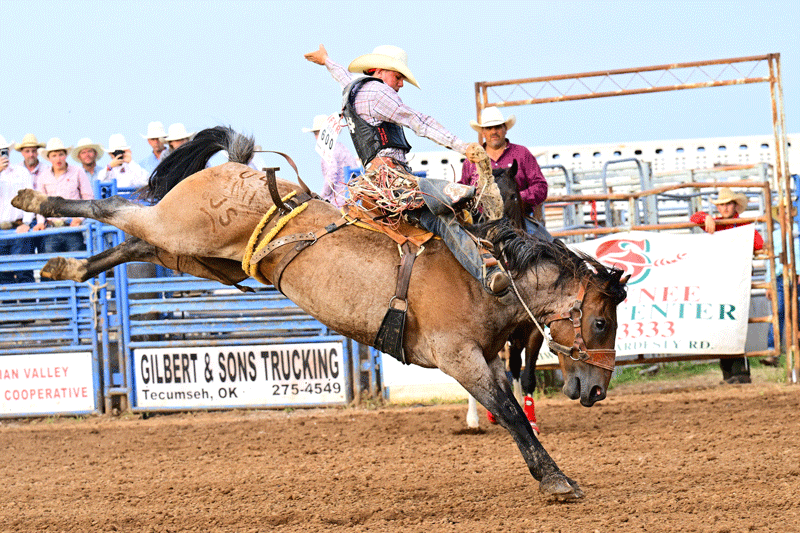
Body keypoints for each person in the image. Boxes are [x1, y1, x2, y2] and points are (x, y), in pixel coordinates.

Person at [304, 44, 509, 294]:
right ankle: (486, 271)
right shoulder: (379, 93)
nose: (401, 84)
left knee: (438, 213)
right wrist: (462, 146)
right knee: (442, 214)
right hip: (391, 179)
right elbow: (418, 121)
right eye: (398, 76)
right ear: (379, 71)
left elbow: (343, 76)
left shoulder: (355, 89)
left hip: (374, 181)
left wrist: (326, 60)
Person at [690, 188, 764, 383]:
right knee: (722, 324)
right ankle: (730, 372)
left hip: (736, 281)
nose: (724, 208)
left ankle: (740, 372)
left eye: (728, 204)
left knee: (734, 323)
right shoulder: (716, 223)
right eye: (721, 205)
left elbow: (758, 243)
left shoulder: (744, 225)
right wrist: (705, 217)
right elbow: (694, 218)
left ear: (735, 206)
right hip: (720, 281)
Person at [460, 107, 548, 230]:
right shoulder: (471, 161)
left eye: (497, 127)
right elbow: (462, 190)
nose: (493, 132)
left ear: (505, 129)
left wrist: (516, 198)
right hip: (481, 223)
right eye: (489, 128)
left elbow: (541, 187)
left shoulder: (522, 154)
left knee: (542, 240)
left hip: (520, 220)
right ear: (483, 133)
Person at [34, 138, 94, 254]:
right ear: (49, 158)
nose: (58, 158)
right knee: (52, 263)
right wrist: (40, 222)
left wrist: (79, 218)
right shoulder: (43, 177)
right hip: (51, 229)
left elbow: (88, 198)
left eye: (61, 154)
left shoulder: (78, 171)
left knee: (76, 261)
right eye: (54, 155)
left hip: (73, 227)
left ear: (65, 155)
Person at [303, 114, 360, 207]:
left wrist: (321, 196)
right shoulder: (342, 147)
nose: (317, 137)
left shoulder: (328, 151)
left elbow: (331, 177)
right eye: (315, 134)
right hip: (352, 196)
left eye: (318, 133)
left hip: (338, 200)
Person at [0, 135, 35, 283]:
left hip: (19, 227)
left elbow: (29, 198)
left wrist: (26, 223)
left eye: (3, 151)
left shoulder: (21, 172)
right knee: (3, 276)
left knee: (24, 273)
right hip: (1, 231)